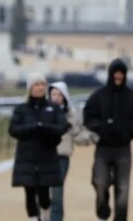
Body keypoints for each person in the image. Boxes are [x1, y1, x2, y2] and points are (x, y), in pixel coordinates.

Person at [84, 59, 133, 221]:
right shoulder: (99, 95)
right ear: (111, 74)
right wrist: (100, 127)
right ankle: (102, 207)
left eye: (121, 73)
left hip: (123, 148)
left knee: (123, 188)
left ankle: (120, 218)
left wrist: (130, 129)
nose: (118, 76)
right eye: (116, 73)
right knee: (99, 182)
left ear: (124, 75)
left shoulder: (132, 96)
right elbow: (88, 116)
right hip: (103, 148)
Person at [9, 72, 69, 221]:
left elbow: (61, 127)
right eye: (36, 84)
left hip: (47, 156)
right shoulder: (21, 109)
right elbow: (13, 129)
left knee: (44, 194)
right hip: (27, 157)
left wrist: (43, 127)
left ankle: (46, 215)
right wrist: (31, 128)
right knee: (29, 193)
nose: (40, 87)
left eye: (42, 84)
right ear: (30, 88)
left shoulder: (54, 108)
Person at [49, 81, 91, 221]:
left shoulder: (71, 114)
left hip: (61, 157)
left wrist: (92, 137)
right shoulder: (44, 113)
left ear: (64, 96)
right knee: (41, 194)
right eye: (53, 94)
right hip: (43, 156)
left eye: (59, 94)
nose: (55, 97)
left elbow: (78, 134)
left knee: (57, 194)